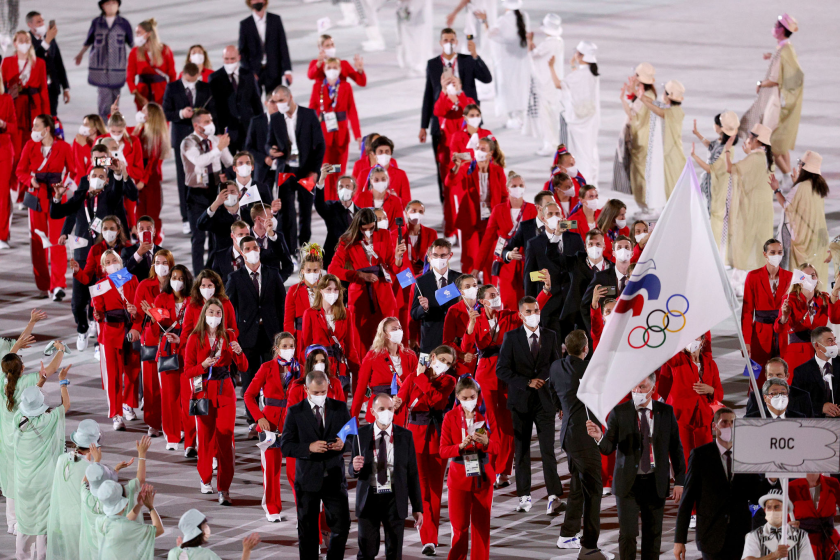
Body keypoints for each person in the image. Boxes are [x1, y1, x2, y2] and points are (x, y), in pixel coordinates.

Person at [586, 373, 685, 560]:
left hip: (655, 483)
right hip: (628, 484)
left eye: (642, 387)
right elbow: (608, 448)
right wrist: (599, 437)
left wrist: (680, 481)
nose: (637, 391)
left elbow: (676, 448)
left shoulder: (665, 412)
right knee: (628, 535)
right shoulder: (619, 412)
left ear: (653, 389)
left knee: (653, 535)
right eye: (634, 387)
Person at [496, 295, 564, 514]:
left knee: (548, 451)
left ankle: (553, 495)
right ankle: (524, 496)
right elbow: (502, 370)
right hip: (520, 402)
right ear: (520, 314)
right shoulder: (511, 337)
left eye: (536, 310)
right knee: (522, 451)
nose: (534, 314)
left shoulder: (551, 336)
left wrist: (559, 399)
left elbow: (556, 365)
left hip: (545, 401)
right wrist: (526, 382)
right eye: (529, 311)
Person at [280, 370, 352, 560]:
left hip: (334, 478)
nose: (320, 396)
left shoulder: (340, 408)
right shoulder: (295, 412)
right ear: (306, 389)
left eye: (323, 392)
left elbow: (354, 438)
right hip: (307, 480)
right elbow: (286, 446)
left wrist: (344, 444)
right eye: (316, 393)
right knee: (308, 531)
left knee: (342, 525)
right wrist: (308, 448)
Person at [674, 408, 762, 560]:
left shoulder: (746, 455)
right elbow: (687, 500)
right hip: (711, 534)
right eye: (724, 423)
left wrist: (772, 479)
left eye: (733, 423)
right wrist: (679, 539)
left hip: (740, 535)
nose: (729, 426)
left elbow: (756, 495)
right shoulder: (700, 456)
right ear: (714, 426)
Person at [184, 298, 248, 504]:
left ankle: (224, 488)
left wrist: (239, 353)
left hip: (225, 390)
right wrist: (202, 365)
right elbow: (188, 371)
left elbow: (244, 367)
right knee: (205, 438)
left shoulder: (229, 336)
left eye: (218, 313)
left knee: (225, 439)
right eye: (211, 312)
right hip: (203, 391)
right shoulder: (195, 338)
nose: (214, 316)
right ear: (204, 314)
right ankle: (205, 478)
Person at [550, 330, 608, 557]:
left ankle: (567, 534)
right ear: (586, 349)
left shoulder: (555, 367)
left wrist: (562, 408)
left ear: (566, 348)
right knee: (594, 491)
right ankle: (590, 544)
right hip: (584, 438)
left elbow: (552, 391)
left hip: (568, 437)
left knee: (577, 486)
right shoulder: (590, 371)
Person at [395, 345, 456, 556]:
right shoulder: (412, 376)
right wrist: (393, 402)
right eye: (442, 360)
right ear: (432, 357)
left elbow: (436, 401)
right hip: (415, 436)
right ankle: (428, 539)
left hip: (438, 436)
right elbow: (401, 400)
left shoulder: (449, 381)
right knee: (421, 491)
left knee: (436, 490)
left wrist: (422, 379)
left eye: (449, 363)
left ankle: (433, 535)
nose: (444, 365)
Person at [419, 28, 492, 201]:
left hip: (468, 122)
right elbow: (428, 95)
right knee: (444, 166)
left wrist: (475, 55)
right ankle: (447, 204)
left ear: (457, 42)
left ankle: (473, 201)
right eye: (445, 40)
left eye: (452, 39)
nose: (449, 43)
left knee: (471, 162)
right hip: (442, 123)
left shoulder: (467, 61)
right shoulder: (433, 64)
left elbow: (487, 78)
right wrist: (424, 126)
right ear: (440, 42)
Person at [349, 393, 423, 560]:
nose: (386, 412)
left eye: (390, 409)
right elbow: (352, 469)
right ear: (372, 412)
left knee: (394, 552)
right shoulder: (360, 435)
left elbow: (412, 473)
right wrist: (353, 467)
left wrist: (418, 508)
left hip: (395, 498)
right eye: (381, 409)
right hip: (369, 499)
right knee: (367, 552)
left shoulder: (405, 436)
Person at [225, 235, 286, 436]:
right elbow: (229, 308)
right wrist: (233, 336)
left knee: (273, 379)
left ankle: (273, 419)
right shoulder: (235, 278)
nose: (253, 250)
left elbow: (282, 305)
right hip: (247, 337)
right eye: (248, 248)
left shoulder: (272, 273)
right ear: (242, 253)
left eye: (255, 247)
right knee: (250, 379)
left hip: (271, 335)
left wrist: (282, 335)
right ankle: (253, 420)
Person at [0, 338, 61, 534]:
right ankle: (27, 519)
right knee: (25, 479)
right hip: (26, 440)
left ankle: (12, 522)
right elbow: (51, 369)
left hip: (7, 440)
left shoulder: (3, 381)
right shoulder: (27, 381)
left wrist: (17, 344)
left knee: (10, 480)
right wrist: (60, 350)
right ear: (22, 369)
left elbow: (7, 359)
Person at [435, 377, 497, 560]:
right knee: (460, 527)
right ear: (457, 397)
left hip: (483, 476)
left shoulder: (486, 414)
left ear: (478, 396)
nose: (469, 401)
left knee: (481, 528)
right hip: (459, 477)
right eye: (465, 398)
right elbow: (443, 450)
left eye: (473, 397)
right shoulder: (450, 417)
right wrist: (459, 446)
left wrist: (487, 443)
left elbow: (499, 446)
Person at [328, 209, 407, 351]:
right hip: (360, 294)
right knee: (362, 341)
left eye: (372, 227)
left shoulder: (384, 234)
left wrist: (398, 257)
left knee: (387, 337)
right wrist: (359, 275)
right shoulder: (347, 240)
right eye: (364, 229)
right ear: (357, 226)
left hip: (383, 294)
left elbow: (394, 268)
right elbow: (333, 269)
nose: (368, 232)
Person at [12, 368, 70, 560]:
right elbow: (65, 406)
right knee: (43, 526)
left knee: (24, 521)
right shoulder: (48, 420)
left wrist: (39, 384)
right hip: (44, 482)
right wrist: (62, 382)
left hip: (23, 482)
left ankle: (21, 556)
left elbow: (30, 401)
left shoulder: (17, 420)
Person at [741, 14, 803, 189]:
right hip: (773, 99)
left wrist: (760, 83)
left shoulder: (785, 51)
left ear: (782, 29)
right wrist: (772, 56)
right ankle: (788, 179)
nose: (774, 28)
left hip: (772, 101)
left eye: (777, 25)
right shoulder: (784, 49)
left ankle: (787, 178)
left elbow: (776, 79)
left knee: (770, 144)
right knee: (780, 146)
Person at [16, 114, 74, 300]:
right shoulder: (30, 145)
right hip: (36, 197)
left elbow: (73, 170)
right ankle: (43, 282)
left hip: (57, 196)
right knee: (39, 240)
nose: (33, 130)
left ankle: (58, 284)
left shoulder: (64, 147)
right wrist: (30, 180)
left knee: (58, 240)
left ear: (47, 129)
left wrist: (64, 186)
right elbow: (20, 171)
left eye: (36, 126)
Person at [245, 332, 300, 523]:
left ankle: (303, 511)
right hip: (270, 424)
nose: (288, 349)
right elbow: (248, 395)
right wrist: (259, 418)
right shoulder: (266, 367)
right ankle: (272, 507)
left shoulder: (300, 369)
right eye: (284, 346)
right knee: (271, 469)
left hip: (294, 424)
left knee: (296, 471)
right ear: (276, 349)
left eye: (291, 345)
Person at [266, 85, 325, 249]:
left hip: (306, 171)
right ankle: (290, 250)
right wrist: (270, 150)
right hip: (286, 171)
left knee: (306, 212)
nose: (279, 104)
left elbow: (320, 145)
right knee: (287, 214)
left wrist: (314, 170)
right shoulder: (276, 118)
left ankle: (304, 247)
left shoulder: (308, 115)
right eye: (276, 101)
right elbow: (268, 143)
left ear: (290, 97)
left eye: (281, 100)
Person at [162, 63, 215, 237]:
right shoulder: (172, 87)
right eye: (189, 81)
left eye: (195, 81)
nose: (193, 84)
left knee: (204, 176)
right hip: (181, 139)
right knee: (184, 177)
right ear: (183, 75)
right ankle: (186, 217)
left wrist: (201, 114)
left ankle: (204, 214)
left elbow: (212, 110)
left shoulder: (205, 87)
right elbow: (166, 112)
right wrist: (180, 113)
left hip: (201, 138)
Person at [90, 250, 141, 430]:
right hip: (110, 334)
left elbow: (139, 303)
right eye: (108, 262)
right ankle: (116, 414)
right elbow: (98, 311)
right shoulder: (100, 285)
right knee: (113, 376)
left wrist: (136, 320)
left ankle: (128, 403)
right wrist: (97, 314)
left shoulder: (132, 279)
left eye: (115, 260)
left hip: (131, 330)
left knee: (133, 371)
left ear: (120, 262)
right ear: (104, 268)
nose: (112, 264)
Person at [181, 109, 234, 274]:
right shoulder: (188, 143)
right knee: (198, 237)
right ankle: (198, 276)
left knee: (215, 237)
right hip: (197, 194)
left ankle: (213, 273)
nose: (211, 124)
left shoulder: (216, 141)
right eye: (206, 121)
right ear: (196, 125)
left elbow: (229, 161)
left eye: (210, 120)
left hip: (216, 194)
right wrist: (218, 148)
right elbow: (199, 161)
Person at [446, 135, 507, 277]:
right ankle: (468, 292)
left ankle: (489, 293)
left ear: (490, 153)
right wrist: (456, 166)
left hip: (491, 220)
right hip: (470, 220)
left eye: (483, 149)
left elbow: (504, 195)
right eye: (477, 148)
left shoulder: (497, 171)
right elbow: (450, 183)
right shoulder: (467, 168)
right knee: (470, 258)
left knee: (490, 258)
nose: (478, 151)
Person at [44, 419, 104, 558]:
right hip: (82, 523)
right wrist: (97, 463)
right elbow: (99, 497)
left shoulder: (61, 459)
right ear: (94, 446)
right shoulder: (91, 468)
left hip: (63, 520)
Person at [659, 335, 723, 464]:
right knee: (684, 459)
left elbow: (720, 393)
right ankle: (685, 484)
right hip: (681, 418)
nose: (691, 340)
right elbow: (664, 348)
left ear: (702, 342)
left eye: (696, 337)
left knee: (705, 460)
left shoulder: (710, 363)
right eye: (688, 337)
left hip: (703, 418)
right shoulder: (677, 359)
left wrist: (710, 390)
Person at [724, 123, 774, 281]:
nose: (748, 140)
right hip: (764, 206)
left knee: (743, 238)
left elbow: (731, 169)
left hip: (751, 206)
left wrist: (727, 150)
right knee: (760, 241)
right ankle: (758, 276)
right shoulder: (765, 158)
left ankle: (739, 276)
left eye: (750, 138)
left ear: (758, 141)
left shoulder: (755, 158)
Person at [131, 248, 172, 437]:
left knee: (171, 384)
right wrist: (136, 327)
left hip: (172, 340)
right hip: (151, 339)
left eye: (165, 263)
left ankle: (172, 422)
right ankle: (154, 422)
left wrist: (155, 313)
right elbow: (139, 316)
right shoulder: (144, 286)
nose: (161, 266)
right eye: (157, 262)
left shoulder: (177, 286)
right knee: (151, 383)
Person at [548, 41, 600, 185]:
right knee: (590, 150)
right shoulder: (592, 72)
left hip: (578, 120)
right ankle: (591, 181)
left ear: (581, 55)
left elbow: (559, 84)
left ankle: (585, 182)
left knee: (580, 152)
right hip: (590, 119)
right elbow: (576, 86)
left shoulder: (580, 74)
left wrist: (551, 67)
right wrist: (573, 66)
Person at [154, 263, 193, 449]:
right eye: (174, 278)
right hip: (167, 351)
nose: (177, 281)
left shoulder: (193, 300)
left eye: (181, 278)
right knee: (169, 397)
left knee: (187, 396)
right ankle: (172, 435)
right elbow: (156, 329)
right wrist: (152, 319)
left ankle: (189, 433)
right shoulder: (161, 298)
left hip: (187, 353)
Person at [773, 151, 829, 280]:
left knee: (800, 277)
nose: (798, 165)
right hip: (816, 238)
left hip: (802, 239)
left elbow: (788, 206)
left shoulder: (800, 186)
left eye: (800, 163)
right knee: (815, 274)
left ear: (804, 167)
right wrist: (796, 183)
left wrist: (776, 190)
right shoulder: (820, 186)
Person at [742, 239, 793, 378]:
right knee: (757, 374)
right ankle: (755, 399)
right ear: (765, 254)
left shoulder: (790, 277)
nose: (776, 255)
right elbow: (747, 312)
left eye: (780, 252)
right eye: (773, 252)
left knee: (782, 371)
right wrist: (746, 341)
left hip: (782, 331)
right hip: (759, 332)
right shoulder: (753, 276)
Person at [352, 318, 418, 424]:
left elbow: (415, 386)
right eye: (394, 329)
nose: (399, 331)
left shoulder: (410, 355)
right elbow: (360, 389)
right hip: (379, 408)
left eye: (400, 328)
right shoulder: (372, 356)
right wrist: (353, 418)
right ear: (385, 334)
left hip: (401, 410)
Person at [301, 274, 361, 389]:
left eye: (336, 289)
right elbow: (305, 347)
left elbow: (350, 347)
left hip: (340, 370)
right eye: (328, 289)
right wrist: (306, 375)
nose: (332, 292)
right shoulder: (310, 314)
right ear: (321, 291)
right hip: (319, 368)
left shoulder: (346, 314)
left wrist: (358, 372)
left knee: (340, 405)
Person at [75, 0, 133, 118]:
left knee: (115, 98)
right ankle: (105, 127)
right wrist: (80, 54)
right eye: (108, 3)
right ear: (102, 6)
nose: (111, 6)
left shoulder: (124, 23)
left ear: (118, 5)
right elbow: (89, 40)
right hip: (100, 69)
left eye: (114, 3)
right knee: (104, 99)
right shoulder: (97, 23)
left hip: (117, 68)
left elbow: (132, 43)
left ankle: (114, 125)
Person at [313, 57, 361, 201]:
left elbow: (352, 110)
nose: (332, 70)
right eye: (329, 67)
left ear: (340, 70)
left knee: (338, 169)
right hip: (324, 134)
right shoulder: (318, 87)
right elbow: (312, 109)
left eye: (335, 67)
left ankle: (339, 199)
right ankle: (327, 201)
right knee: (326, 169)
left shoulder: (346, 87)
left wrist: (358, 135)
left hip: (341, 135)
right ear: (324, 70)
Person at [2, 31, 48, 174]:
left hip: (33, 107)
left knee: (32, 146)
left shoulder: (39, 63)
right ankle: (13, 183)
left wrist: (47, 117)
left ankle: (28, 184)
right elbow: (1, 89)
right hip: (14, 106)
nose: (24, 43)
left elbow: (44, 91)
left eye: (26, 40)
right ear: (15, 43)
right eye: (20, 40)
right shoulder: (7, 61)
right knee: (15, 146)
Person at [481, 0, 531, 129]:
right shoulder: (524, 16)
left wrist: (484, 21)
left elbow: (490, 35)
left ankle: (512, 118)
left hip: (506, 61)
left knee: (507, 88)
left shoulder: (503, 20)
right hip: (521, 59)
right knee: (520, 86)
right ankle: (521, 117)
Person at [622, 63, 664, 217]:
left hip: (642, 141)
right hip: (641, 139)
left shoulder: (647, 97)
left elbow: (635, 116)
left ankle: (650, 207)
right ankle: (646, 206)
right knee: (639, 174)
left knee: (642, 174)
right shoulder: (647, 95)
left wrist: (626, 98)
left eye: (637, 76)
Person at [775, 265, 833, 373]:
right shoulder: (790, 299)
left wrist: (835, 295)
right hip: (797, 354)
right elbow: (779, 329)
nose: (810, 279)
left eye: (812, 275)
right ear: (799, 281)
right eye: (805, 276)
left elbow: (836, 318)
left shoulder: (824, 298)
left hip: (821, 352)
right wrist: (785, 316)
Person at [410, 239, 462, 357]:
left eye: (443, 255)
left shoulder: (460, 279)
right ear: (430, 256)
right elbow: (413, 313)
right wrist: (424, 308)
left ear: (450, 256)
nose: (439, 258)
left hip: (454, 341)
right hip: (430, 341)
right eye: (435, 255)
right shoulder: (421, 281)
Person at [691, 111, 738, 239]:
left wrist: (695, 157)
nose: (714, 126)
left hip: (717, 186)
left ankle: (714, 241)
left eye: (716, 124)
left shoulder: (726, 149)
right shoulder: (721, 142)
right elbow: (711, 146)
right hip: (710, 184)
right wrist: (698, 134)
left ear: (721, 128)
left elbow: (710, 169)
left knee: (715, 214)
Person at [209, 45, 263, 154]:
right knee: (229, 166)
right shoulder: (215, 78)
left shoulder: (248, 75)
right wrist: (218, 131)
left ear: (238, 58)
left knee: (249, 162)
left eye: (232, 59)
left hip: (247, 127)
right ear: (223, 58)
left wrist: (260, 127)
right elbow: (214, 108)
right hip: (227, 131)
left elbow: (256, 102)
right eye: (226, 59)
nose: (229, 62)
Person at [637, 80, 686, 199]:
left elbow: (656, 109)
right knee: (670, 186)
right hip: (673, 154)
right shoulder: (674, 110)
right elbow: (654, 103)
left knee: (672, 186)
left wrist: (641, 97)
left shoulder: (673, 112)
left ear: (668, 96)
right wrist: (641, 96)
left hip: (672, 156)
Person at [129, 103, 170, 239]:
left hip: (150, 179)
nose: (141, 112)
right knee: (139, 213)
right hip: (138, 178)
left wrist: (143, 180)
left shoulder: (156, 135)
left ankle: (156, 241)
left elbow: (152, 161)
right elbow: (121, 131)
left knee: (151, 214)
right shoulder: (139, 130)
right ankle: (142, 244)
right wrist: (114, 114)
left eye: (144, 110)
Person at [95, 481, 164, 559]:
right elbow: (159, 529)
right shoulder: (123, 528)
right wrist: (150, 507)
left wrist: (139, 504)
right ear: (125, 503)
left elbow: (124, 523)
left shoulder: (100, 521)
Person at [526, 14, 563, 156]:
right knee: (553, 113)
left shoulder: (549, 43)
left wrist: (530, 41)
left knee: (545, 114)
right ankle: (554, 142)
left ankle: (549, 144)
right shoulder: (559, 41)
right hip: (554, 82)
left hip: (545, 84)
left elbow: (534, 55)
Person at [580, 235, 633, 335]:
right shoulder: (601, 277)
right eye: (619, 248)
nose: (623, 251)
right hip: (605, 334)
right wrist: (595, 333)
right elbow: (585, 306)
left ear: (632, 253)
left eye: (627, 248)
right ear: (613, 253)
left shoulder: (638, 277)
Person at [742, 489, 815, 560]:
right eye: (769, 507)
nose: (773, 511)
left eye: (777, 507)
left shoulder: (801, 536)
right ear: (765, 510)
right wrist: (773, 556)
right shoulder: (754, 536)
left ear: (786, 509)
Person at [239, 0, 293, 94]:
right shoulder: (245, 24)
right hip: (255, 73)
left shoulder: (275, 20)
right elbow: (242, 52)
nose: (257, 1)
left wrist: (287, 70)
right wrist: (249, 72)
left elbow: (283, 46)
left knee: (275, 103)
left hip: (274, 71)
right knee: (255, 105)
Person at [168, 509, 261, 559]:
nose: (207, 528)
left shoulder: (173, 553)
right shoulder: (208, 555)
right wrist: (246, 551)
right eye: (204, 525)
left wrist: (179, 548)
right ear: (197, 531)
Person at [126, 19, 175, 112]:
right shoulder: (134, 52)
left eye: (139, 33)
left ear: (148, 34)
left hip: (161, 92)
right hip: (142, 92)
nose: (136, 36)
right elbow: (129, 78)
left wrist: (171, 94)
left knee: (162, 121)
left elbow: (172, 75)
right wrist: (138, 96)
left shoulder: (165, 50)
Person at [26, 12, 69, 117]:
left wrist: (65, 87)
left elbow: (58, 62)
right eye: (38, 22)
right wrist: (46, 42)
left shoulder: (50, 37)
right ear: (29, 25)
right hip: (36, 90)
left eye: (43, 21)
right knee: (39, 118)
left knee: (52, 117)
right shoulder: (26, 40)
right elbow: (34, 59)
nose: (42, 24)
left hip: (52, 88)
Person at [792, 326, 840, 419]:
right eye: (830, 340)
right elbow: (795, 402)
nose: (834, 344)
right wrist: (820, 408)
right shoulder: (802, 371)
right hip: (815, 425)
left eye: (834, 340)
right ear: (817, 345)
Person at [789, 473, 840, 560]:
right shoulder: (792, 486)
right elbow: (786, 517)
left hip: (830, 541)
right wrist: (790, 525)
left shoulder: (833, 482)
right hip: (806, 541)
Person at [308, 35, 366, 107]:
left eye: (332, 44)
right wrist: (318, 64)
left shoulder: (343, 64)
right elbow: (310, 76)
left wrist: (360, 71)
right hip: (322, 104)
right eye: (327, 45)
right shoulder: (316, 63)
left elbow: (362, 83)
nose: (331, 47)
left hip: (340, 104)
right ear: (320, 48)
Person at [314, 172, 358, 266]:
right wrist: (321, 181)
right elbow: (319, 205)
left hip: (354, 261)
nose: (344, 189)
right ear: (337, 190)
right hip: (333, 259)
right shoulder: (331, 208)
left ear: (354, 190)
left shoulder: (360, 213)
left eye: (347, 186)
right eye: (341, 186)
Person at [746, 357, 813, 418]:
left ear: (787, 376)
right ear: (766, 376)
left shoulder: (802, 397)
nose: (774, 378)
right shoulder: (755, 397)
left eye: (779, 375)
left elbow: (811, 426)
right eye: (771, 375)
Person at [359, 136, 411, 205]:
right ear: (374, 154)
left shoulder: (401, 174)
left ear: (391, 153)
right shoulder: (364, 173)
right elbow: (357, 201)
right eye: (380, 152)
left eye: (387, 151)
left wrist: (395, 199)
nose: (384, 154)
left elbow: (408, 204)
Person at [246, 92, 279, 188]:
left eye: (278, 102)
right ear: (266, 103)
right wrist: (264, 159)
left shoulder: (286, 121)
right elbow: (248, 147)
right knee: (262, 200)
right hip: (262, 169)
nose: (276, 105)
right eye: (273, 102)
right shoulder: (256, 121)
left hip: (281, 169)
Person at [0, 82, 17, 249]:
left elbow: (14, 126)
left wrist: (4, 125)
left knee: (3, 195)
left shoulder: (6, 99)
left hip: (4, 152)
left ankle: (2, 235)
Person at [121, 215, 166, 281]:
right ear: (137, 232)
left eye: (148, 229)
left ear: (154, 232)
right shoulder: (127, 251)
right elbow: (123, 274)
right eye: (141, 229)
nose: (145, 231)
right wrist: (138, 254)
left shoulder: (163, 252)